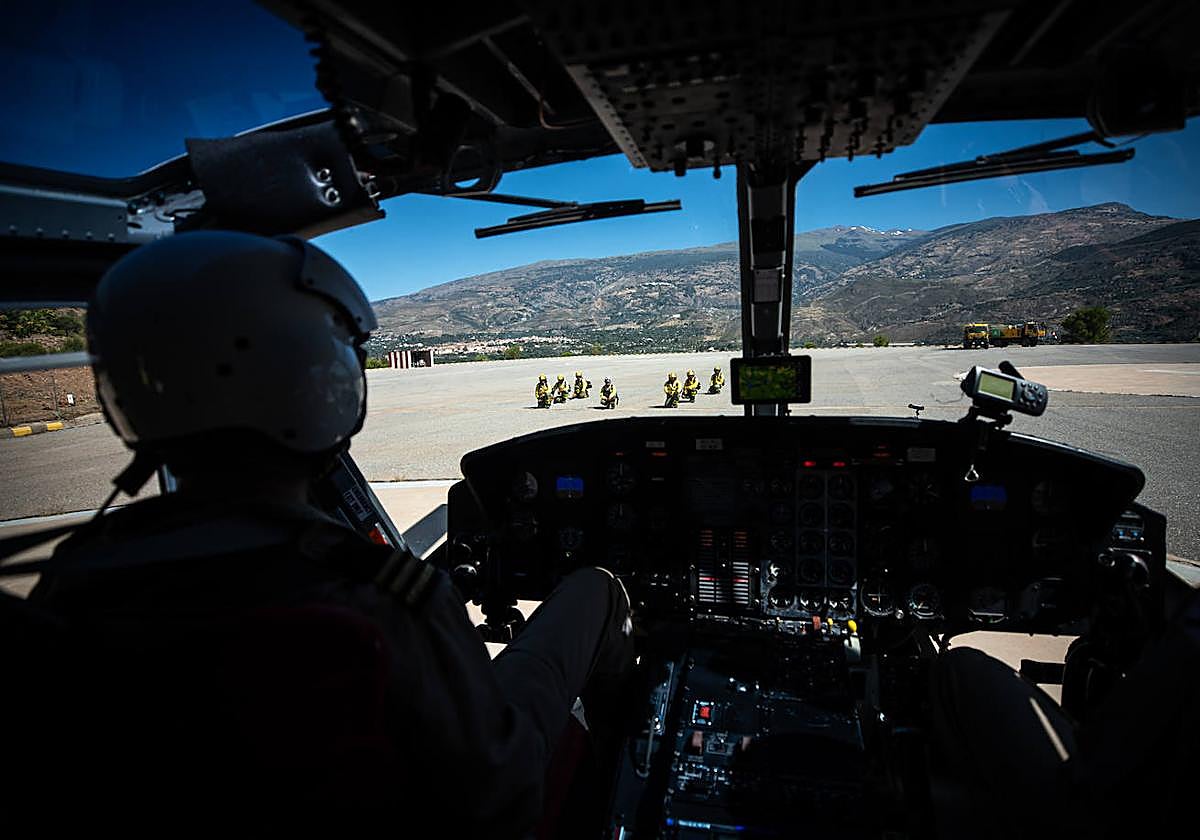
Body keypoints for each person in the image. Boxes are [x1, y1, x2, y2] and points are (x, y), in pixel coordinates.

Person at [15, 232, 634, 835]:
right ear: (327, 393)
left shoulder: (73, 585)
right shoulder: (384, 602)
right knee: (596, 589)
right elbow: (501, 793)